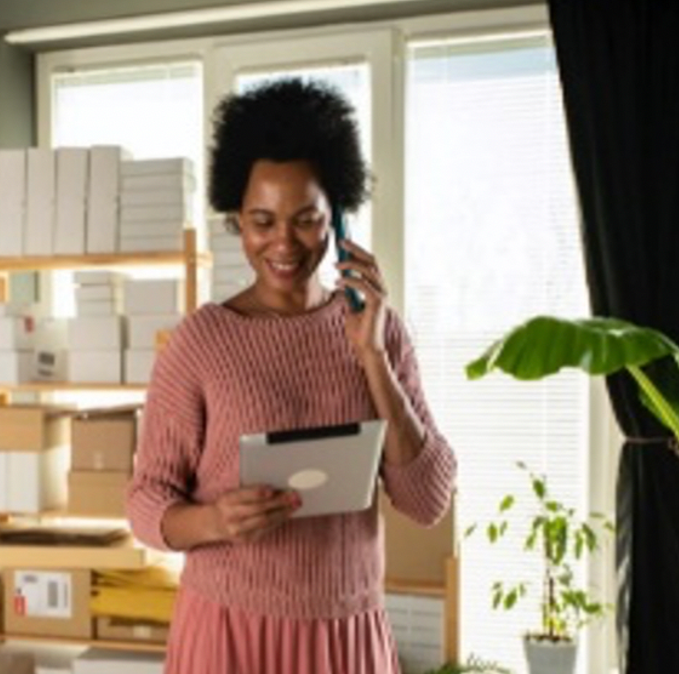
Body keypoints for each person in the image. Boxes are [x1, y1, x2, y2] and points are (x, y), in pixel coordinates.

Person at [126, 78, 457, 673]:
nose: (283, 243)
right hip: (228, 631)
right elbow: (146, 503)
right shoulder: (201, 342)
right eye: (262, 221)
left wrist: (372, 356)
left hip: (344, 632)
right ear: (236, 221)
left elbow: (427, 499)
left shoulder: (380, 331)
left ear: (339, 217)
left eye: (305, 219)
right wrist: (213, 521)